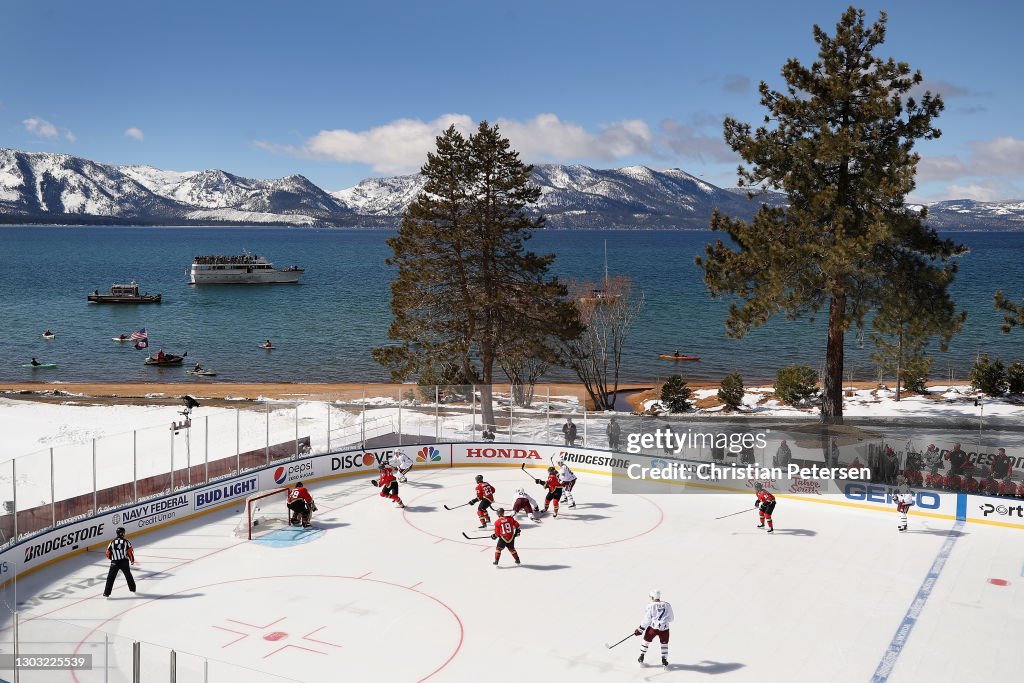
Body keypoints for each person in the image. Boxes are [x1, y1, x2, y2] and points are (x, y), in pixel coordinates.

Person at [634, 589, 673, 667]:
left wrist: (640, 629)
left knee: (646, 640)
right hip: (664, 629)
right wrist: (664, 621)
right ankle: (664, 659)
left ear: (652, 597)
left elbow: (647, 620)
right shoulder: (667, 605)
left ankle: (641, 656)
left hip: (653, 628)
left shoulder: (650, 606)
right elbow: (671, 618)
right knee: (664, 644)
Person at [102, 527, 136, 597]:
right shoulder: (126, 541)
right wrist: (132, 560)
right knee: (128, 575)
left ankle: (106, 593)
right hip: (124, 562)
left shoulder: (112, 542)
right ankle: (132, 589)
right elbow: (130, 552)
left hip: (114, 562)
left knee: (110, 578)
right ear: (122, 533)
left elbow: (107, 553)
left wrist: (112, 559)